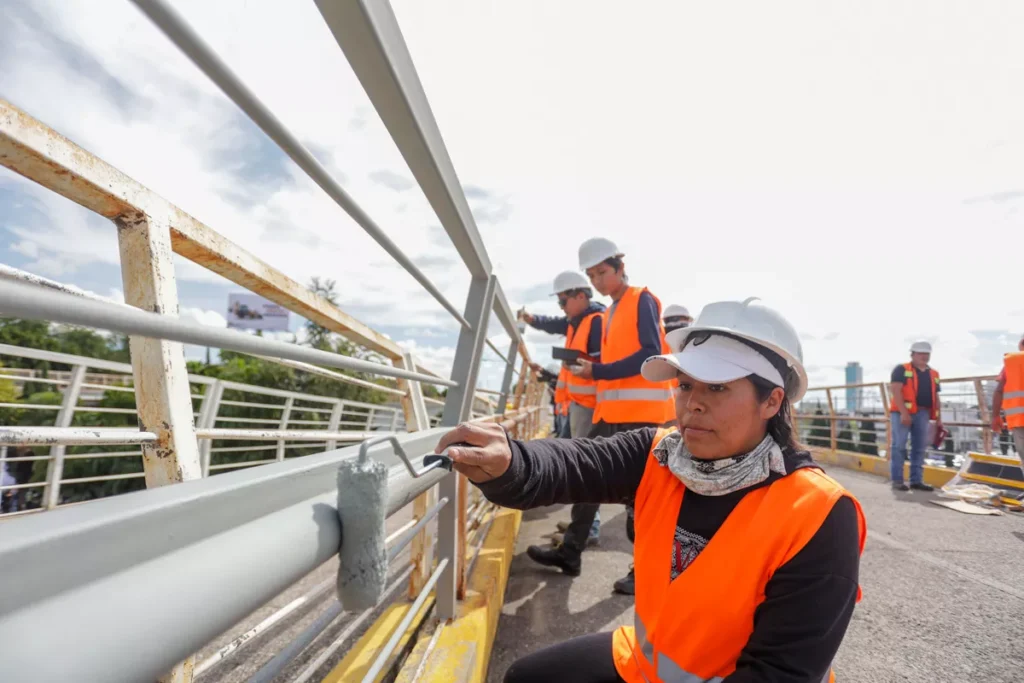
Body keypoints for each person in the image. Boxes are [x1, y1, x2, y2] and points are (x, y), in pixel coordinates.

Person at [436, 298, 865, 683]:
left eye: (716, 387)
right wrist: (510, 461)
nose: (692, 403)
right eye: (684, 384)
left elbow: (780, 674)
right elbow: (573, 463)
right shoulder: (660, 455)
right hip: (649, 663)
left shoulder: (819, 514)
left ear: (772, 402)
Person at [528, 238, 675, 595]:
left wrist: (598, 373)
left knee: (640, 497)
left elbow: (650, 354)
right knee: (584, 475)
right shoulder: (608, 313)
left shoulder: (642, 298)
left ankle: (646, 571)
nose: (597, 281)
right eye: (592, 275)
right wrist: (592, 370)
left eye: (602, 273)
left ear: (620, 267)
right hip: (612, 412)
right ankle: (571, 552)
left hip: (643, 414)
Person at [521, 271, 607, 544]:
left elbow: (599, 362)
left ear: (580, 296)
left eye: (563, 301)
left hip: (591, 404)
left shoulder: (596, 322)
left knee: (585, 465)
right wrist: (532, 320)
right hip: (578, 403)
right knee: (578, 463)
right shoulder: (577, 321)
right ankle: (581, 524)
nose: (561, 308)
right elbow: (553, 324)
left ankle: (588, 528)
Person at [889, 341, 942, 492]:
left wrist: (939, 418)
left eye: (926, 354)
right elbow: (896, 391)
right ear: (912, 354)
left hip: (923, 413)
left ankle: (916, 481)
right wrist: (904, 413)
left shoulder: (934, 374)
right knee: (899, 446)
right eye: (920, 354)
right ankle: (897, 480)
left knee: (919, 447)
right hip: (901, 413)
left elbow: (936, 396)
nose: (924, 357)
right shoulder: (901, 369)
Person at [991, 334, 1024, 465]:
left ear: (1021, 344)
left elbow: (999, 390)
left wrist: (995, 416)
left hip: (1020, 420)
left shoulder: (1013, 362)